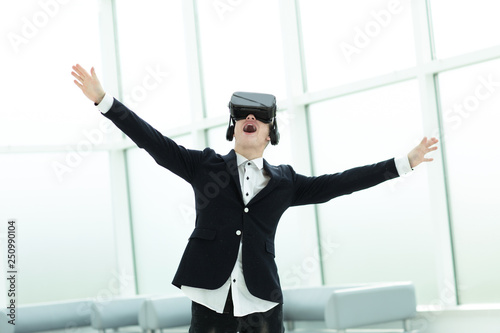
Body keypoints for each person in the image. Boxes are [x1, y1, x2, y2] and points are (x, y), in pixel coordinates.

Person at [71, 64, 439, 333]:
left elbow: (341, 183)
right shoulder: (204, 167)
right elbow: (152, 141)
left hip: (263, 304)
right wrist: (104, 101)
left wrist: (402, 163)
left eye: (260, 116)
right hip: (210, 300)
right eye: (243, 113)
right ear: (234, 127)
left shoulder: (285, 182)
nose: (250, 117)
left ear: (269, 133)